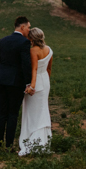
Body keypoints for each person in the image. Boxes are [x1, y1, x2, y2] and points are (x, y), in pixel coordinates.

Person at [0, 16, 33, 150]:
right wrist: (28, 83)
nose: (29, 30)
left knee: (1, 112)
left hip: (0, 80)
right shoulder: (24, 43)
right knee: (12, 114)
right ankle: (9, 145)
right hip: (15, 82)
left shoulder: (2, 41)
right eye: (28, 27)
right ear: (22, 27)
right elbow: (26, 65)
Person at [19, 26, 53, 155]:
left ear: (31, 38)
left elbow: (34, 69)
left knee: (32, 112)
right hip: (45, 80)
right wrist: (46, 82)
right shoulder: (49, 50)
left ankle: (32, 140)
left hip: (36, 81)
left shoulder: (33, 51)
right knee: (43, 109)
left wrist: (32, 85)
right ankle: (44, 141)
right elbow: (49, 69)